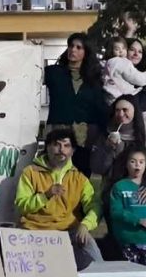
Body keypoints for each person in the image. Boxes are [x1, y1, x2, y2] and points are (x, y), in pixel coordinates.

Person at [14, 129, 102, 268]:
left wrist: (85, 225)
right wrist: (45, 196)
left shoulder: (79, 178)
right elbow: (21, 205)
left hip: (69, 231)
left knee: (98, 263)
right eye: (56, 145)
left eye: (66, 146)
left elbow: (95, 206)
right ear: (47, 147)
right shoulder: (30, 172)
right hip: (34, 230)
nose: (61, 150)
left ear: (73, 150)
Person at [43, 33, 106, 175]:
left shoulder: (94, 79)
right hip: (58, 131)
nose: (73, 50)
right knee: (54, 174)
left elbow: (100, 107)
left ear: (86, 52)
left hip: (85, 137)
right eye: (71, 46)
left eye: (79, 47)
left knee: (80, 176)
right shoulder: (53, 72)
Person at [91, 95, 146, 197]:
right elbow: (97, 168)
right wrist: (107, 149)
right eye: (117, 110)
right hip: (114, 193)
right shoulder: (106, 134)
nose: (121, 114)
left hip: (140, 193)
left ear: (134, 112)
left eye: (125, 110)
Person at [108, 147, 146, 267]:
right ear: (126, 164)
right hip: (128, 239)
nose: (137, 165)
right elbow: (116, 211)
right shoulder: (120, 187)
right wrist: (137, 220)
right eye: (133, 161)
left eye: (141, 162)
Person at [102, 35, 146, 104]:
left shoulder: (107, 64)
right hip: (121, 100)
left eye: (140, 51)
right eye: (132, 50)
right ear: (111, 51)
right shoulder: (121, 62)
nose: (121, 51)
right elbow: (138, 78)